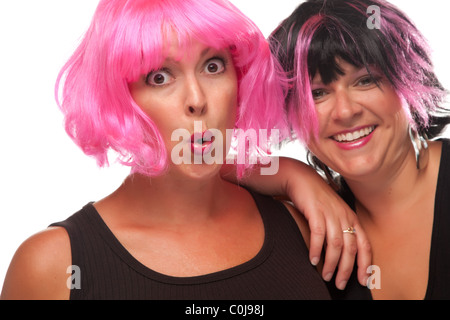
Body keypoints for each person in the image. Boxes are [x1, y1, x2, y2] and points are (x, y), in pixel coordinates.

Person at [0, 0, 367, 300]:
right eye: (159, 76)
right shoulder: (53, 266)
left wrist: (293, 174)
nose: (196, 100)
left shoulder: (306, 229)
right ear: (119, 98)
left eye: (213, 66)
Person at [260, 0, 450, 299]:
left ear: (408, 81)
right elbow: (197, 165)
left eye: (366, 80)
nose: (345, 112)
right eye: (318, 93)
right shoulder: (310, 225)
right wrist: (291, 173)